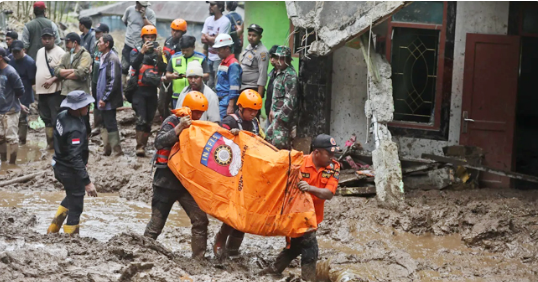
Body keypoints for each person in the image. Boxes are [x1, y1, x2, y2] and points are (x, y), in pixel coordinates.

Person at [260, 134, 341, 281]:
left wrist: (310, 188)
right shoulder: (298, 162)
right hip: (295, 214)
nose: (332, 157)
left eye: (333, 154)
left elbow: (329, 194)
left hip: (314, 215)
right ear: (316, 152)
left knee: (295, 246)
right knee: (311, 247)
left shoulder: (334, 167)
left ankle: (274, 270)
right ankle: (307, 279)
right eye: (329, 153)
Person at [145, 91, 209, 260]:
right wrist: (179, 128)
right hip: (165, 183)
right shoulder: (172, 121)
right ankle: (142, 252)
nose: (197, 116)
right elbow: (158, 142)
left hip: (186, 184)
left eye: (200, 113)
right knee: (156, 226)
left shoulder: (199, 127)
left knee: (200, 220)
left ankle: (199, 259)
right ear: (187, 109)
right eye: (195, 112)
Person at [213, 89, 263, 259]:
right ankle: (220, 241)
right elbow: (217, 143)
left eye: (255, 111)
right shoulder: (229, 121)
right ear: (240, 108)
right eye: (250, 110)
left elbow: (261, 142)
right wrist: (231, 136)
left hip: (249, 174)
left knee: (246, 213)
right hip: (232, 174)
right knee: (233, 212)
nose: (253, 113)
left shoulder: (255, 123)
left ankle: (233, 249)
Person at [46, 90, 98, 236]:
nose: (88, 107)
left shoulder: (62, 116)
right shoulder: (75, 129)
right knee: (76, 206)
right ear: (77, 108)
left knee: (72, 195)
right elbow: (74, 157)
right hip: (69, 170)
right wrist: (87, 182)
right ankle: (71, 238)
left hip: (58, 164)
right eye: (85, 105)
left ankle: (52, 230)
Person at [129, 25, 165, 157]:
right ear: (142, 38)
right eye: (147, 37)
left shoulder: (158, 52)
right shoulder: (135, 51)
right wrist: (142, 52)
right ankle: (140, 146)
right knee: (141, 119)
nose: (149, 39)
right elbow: (133, 64)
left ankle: (144, 143)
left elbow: (163, 68)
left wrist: (160, 55)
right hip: (139, 90)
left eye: (152, 37)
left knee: (149, 119)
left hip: (152, 90)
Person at [54, 32, 92, 138]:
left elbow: (81, 72)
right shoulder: (66, 56)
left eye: (68, 42)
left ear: (75, 43)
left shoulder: (85, 55)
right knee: (66, 118)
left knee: (82, 119)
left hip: (80, 94)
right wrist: (71, 71)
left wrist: (64, 74)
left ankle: (84, 140)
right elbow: (57, 70)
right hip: (67, 93)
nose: (66, 44)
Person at [36, 28, 66, 150]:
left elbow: (64, 72)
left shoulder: (60, 52)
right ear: (41, 39)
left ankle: (59, 145)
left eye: (49, 38)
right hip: (41, 91)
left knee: (56, 118)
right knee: (46, 118)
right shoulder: (39, 52)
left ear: (54, 38)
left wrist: (53, 80)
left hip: (55, 92)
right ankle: (50, 144)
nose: (47, 41)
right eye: (45, 39)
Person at [165, 35, 210, 110]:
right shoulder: (174, 57)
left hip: (196, 96)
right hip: (177, 96)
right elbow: (167, 74)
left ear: (193, 47)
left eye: (187, 50)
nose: (185, 52)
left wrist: (192, 75)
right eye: (183, 50)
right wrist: (172, 76)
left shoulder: (201, 58)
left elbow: (207, 75)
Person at [266, 46, 298, 150]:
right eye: (277, 58)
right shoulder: (279, 73)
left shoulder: (290, 75)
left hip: (283, 120)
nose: (278, 61)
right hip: (275, 117)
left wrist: (280, 118)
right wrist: (271, 110)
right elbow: (275, 95)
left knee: (280, 145)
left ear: (287, 59)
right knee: (268, 139)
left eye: (281, 58)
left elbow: (290, 101)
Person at [96, 34, 123, 156]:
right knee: (104, 123)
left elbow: (113, 81)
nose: (98, 43)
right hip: (102, 98)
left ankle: (117, 151)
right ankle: (107, 150)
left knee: (110, 123)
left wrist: (105, 98)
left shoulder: (112, 58)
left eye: (100, 41)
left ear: (107, 44)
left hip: (108, 99)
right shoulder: (103, 57)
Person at [158, 19, 187, 120]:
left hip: (177, 78)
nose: (174, 33)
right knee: (162, 103)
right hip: (167, 75)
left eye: (177, 31)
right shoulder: (168, 40)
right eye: (173, 30)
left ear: (183, 32)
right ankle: (166, 121)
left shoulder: (184, 44)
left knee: (176, 104)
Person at [8, 40, 35, 145]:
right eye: (13, 52)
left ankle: (22, 140)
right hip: (10, 92)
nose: (15, 54)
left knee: (22, 118)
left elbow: (32, 80)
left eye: (17, 52)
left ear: (23, 50)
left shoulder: (29, 62)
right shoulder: (10, 59)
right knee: (11, 116)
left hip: (25, 92)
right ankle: (12, 139)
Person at [121, 1, 156, 83]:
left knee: (138, 67)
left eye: (145, 6)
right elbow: (125, 22)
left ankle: (136, 84)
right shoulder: (129, 10)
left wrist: (144, 17)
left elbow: (152, 28)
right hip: (129, 43)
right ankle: (124, 87)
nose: (144, 7)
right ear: (137, 3)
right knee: (124, 67)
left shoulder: (150, 13)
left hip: (142, 46)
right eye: (142, 5)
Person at [0, 47, 24, 164]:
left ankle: (12, 164)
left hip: (11, 110)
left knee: (12, 138)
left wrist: (15, 102)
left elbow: (20, 91)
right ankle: (3, 161)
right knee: (0, 137)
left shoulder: (11, 72)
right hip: (0, 109)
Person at [201, 1, 231, 89]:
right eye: (210, 5)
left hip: (219, 58)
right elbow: (202, 38)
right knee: (208, 84)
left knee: (218, 84)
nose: (210, 7)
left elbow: (219, 41)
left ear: (220, 7)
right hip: (209, 57)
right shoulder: (208, 20)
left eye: (213, 5)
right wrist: (211, 37)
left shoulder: (225, 21)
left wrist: (208, 37)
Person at [213, 33, 242, 120]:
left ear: (227, 48)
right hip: (220, 99)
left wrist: (231, 105)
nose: (217, 52)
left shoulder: (233, 64)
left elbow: (234, 87)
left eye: (219, 49)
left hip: (226, 101)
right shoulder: (223, 63)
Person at [90, 23, 110, 136]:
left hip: (104, 80)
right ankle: (96, 125)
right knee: (95, 102)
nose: (96, 35)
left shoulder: (111, 48)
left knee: (104, 101)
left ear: (106, 33)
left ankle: (104, 126)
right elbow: (92, 60)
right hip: (95, 78)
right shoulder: (95, 45)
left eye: (99, 32)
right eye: (96, 32)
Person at [240, 24, 268, 97]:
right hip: (243, 87)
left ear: (260, 37)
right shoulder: (249, 47)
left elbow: (263, 75)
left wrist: (258, 97)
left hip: (252, 89)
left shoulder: (262, 52)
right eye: (249, 35)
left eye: (254, 36)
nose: (251, 37)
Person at [265, 45, 279, 126]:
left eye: (275, 57)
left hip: (277, 113)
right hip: (269, 110)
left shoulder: (285, 75)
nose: (272, 60)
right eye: (271, 57)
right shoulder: (273, 73)